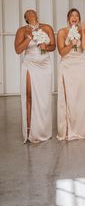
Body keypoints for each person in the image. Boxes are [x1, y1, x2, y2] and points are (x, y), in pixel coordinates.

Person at [14, 9, 55, 143]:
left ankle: (43, 129)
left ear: (37, 15)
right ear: (26, 18)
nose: (32, 13)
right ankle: (29, 129)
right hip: (30, 64)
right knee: (29, 96)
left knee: (44, 98)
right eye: (28, 13)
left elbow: (53, 46)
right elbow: (18, 50)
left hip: (45, 64)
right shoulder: (22, 30)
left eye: (34, 12)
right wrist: (29, 38)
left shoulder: (47, 27)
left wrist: (45, 47)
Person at [57, 8, 85, 141]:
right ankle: (66, 129)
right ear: (68, 18)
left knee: (80, 97)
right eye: (72, 15)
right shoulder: (62, 32)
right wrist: (71, 43)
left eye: (77, 15)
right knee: (68, 96)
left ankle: (80, 129)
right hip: (67, 65)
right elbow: (62, 52)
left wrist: (84, 31)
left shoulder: (82, 30)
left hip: (81, 64)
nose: (74, 17)